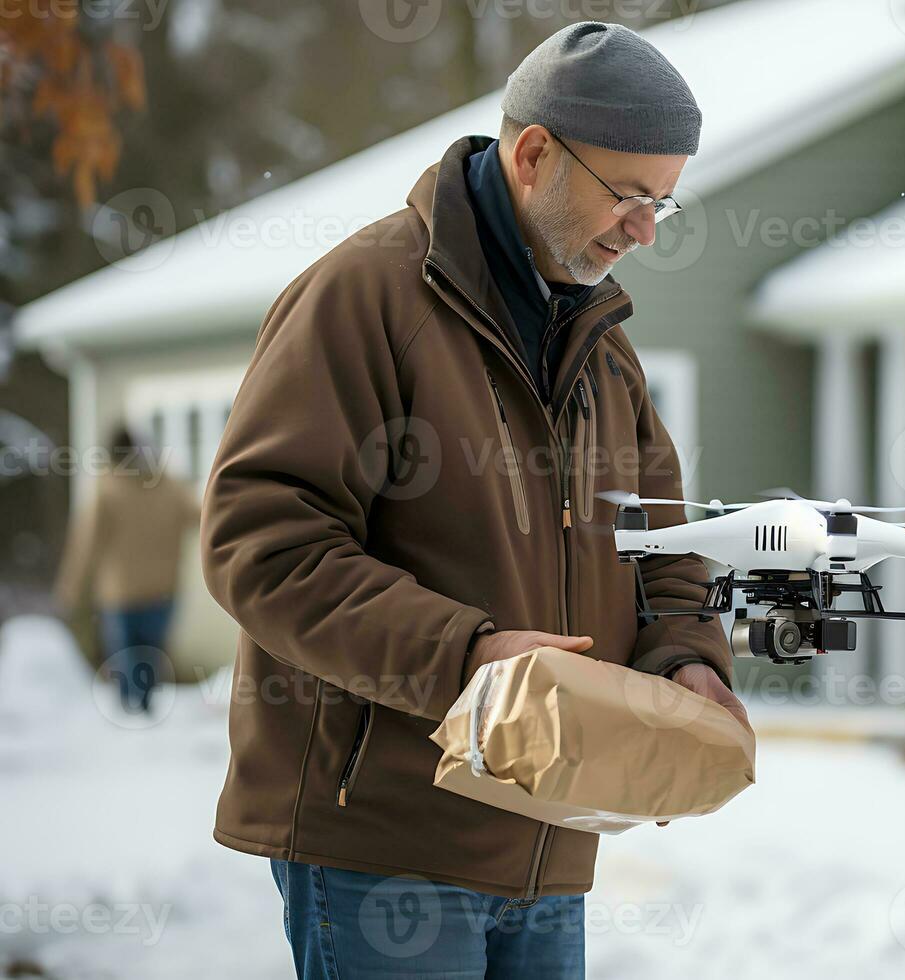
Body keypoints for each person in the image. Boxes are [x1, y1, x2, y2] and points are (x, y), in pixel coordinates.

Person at [198, 21, 750, 980]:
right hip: (384, 842)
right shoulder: (365, 297)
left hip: (551, 832)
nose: (646, 231)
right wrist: (468, 656)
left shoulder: (601, 350)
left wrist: (687, 657)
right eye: (629, 195)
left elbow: (661, 542)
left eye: (665, 202)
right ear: (534, 153)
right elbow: (263, 540)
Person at [54, 424, 200, 713]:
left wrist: (70, 587)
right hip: (164, 589)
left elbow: (86, 544)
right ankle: (144, 710)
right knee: (150, 656)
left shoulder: (107, 489)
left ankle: (132, 715)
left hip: (121, 593)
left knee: (126, 657)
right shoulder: (169, 485)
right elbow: (202, 517)